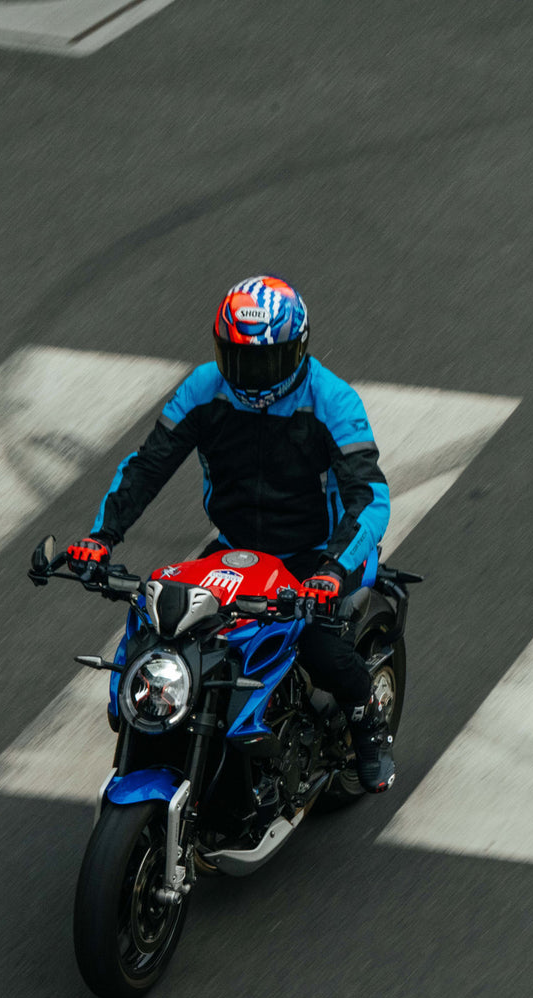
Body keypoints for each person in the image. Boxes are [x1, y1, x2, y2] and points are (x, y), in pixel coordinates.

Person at [65, 275, 395, 792]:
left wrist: (333, 569)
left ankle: (369, 728)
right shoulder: (204, 388)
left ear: (298, 350)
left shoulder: (333, 400)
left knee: (317, 646)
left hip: (315, 554)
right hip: (236, 552)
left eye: (264, 361)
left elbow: (369, 496)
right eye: (237, 358)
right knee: (166, 628)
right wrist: (102, 536)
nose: (249, 375)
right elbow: (148, 466)